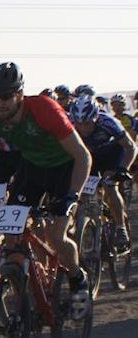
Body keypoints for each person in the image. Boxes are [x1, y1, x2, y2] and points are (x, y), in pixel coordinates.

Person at [0, 63, 93, 316]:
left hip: (65, 168)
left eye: (6, 97)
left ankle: (79, 279)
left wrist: (72, 197)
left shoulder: (45, 110)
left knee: (57, 236)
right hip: (32, 168)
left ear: (20, 95)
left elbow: (83, 156)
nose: (0, 104)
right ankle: (28, 285)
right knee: (13, 235)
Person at [67, 95, 134, 247]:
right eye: (79, 124)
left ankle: (120, 227)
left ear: (96, 117)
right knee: (79, 191)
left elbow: (131, 148)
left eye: (87, 123)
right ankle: (78, 225)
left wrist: (123, 169)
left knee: (110, 186)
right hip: (89, 156)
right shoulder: (70, 124)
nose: (83, 128)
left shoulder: (109, 123)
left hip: (112, 155)